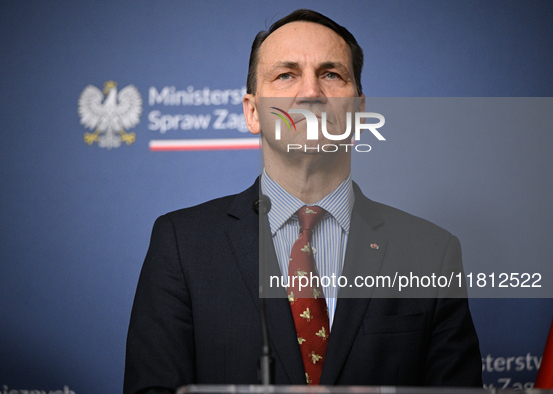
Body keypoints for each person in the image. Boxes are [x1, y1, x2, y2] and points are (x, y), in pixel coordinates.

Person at [124, 9, 482, 394]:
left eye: (331, 74)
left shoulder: (431, 251)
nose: (311, 93)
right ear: (251, 111)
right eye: (285, 75)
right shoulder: (181, 243)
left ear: (359, 112)